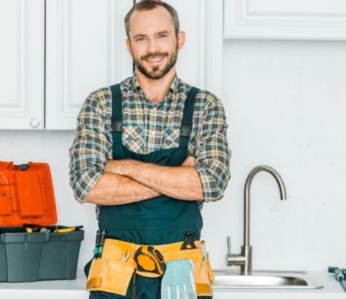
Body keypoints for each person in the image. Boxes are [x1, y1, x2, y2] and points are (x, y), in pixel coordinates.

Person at [69, 1, 231, 298]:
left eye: (162, 36)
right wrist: (179, 178)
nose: (152, 47)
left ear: (179, 39)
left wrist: (122, 167)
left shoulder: (205, 106)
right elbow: (86, 185)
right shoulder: (101, 103)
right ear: (129, 45)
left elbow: (212, 183)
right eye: (141, 38)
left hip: (181, 272)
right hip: (114, 275)